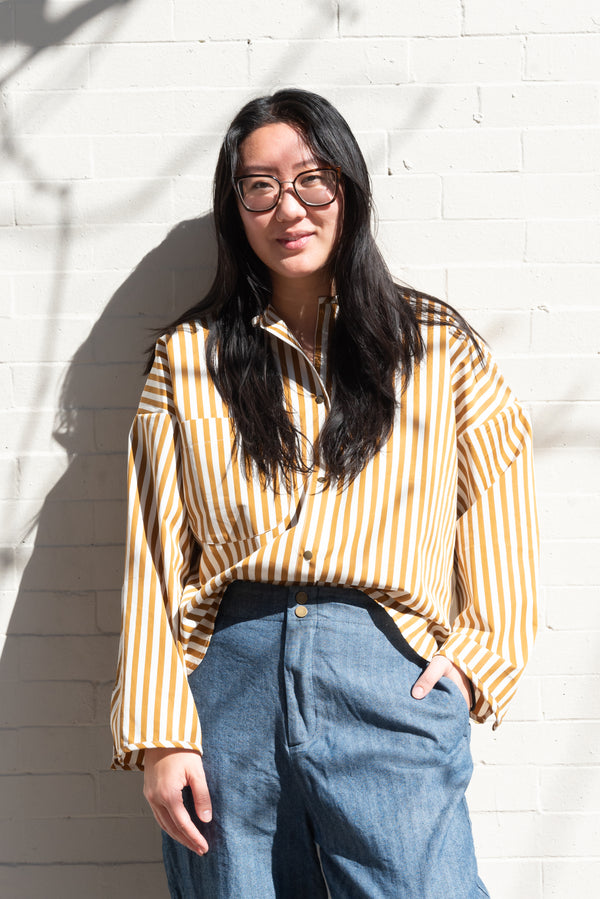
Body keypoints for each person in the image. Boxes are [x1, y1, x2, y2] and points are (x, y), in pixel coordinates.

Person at [110, 89, 538, 898]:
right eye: (259, 186)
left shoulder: (435, 348)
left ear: (349, 187)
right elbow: (152, 553)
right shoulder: (187, 360)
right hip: (228, 686)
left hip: (388, 674)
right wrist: (162, 735)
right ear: (235, 207)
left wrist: (477, 661)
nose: (289, 207)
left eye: (313, 179)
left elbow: (499, 500)